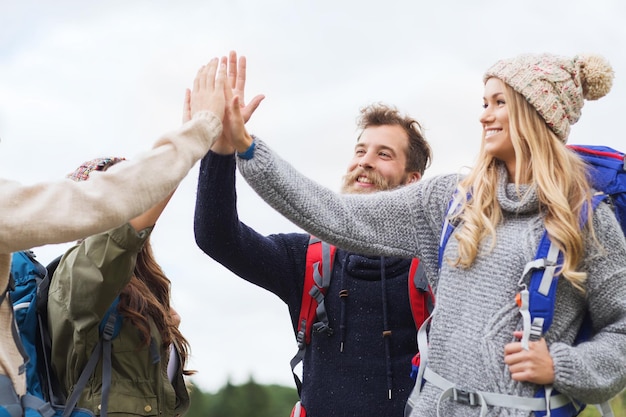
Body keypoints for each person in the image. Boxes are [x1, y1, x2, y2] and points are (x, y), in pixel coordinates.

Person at [224, 53, 626, 416]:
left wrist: (562, 365)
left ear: (539, 114)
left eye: (499, 103)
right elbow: (337, 214)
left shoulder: (588, 220)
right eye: (484, 103)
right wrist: (245, 147)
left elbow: (621, 329)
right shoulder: (449, 201)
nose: (484, 116)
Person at [193, 51, 433, 416]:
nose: (364, 161)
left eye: (383, 154)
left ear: (413, 182)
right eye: (359, 150)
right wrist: (221, 151)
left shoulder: (438, 262)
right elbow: (215, 236)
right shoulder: (307, 261)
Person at [0, 56, 227, 400]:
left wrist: (165, 332)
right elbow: (125, 217)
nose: (133, 197)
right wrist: (194, 136)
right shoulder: (75, 279)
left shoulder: (150, 295)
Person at [48, 157, 192, 417]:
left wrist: (166, 339)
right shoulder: (78, 272)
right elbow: (120, 238)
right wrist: (190, 146)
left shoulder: (147, 290)